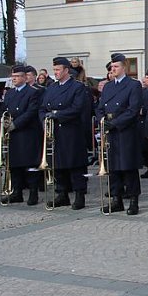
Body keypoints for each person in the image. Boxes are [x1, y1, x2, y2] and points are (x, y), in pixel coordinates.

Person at [39, 57, 92, 210]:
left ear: (66, 70)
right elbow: (42, 108)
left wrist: (56, 115)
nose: (55, 72)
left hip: (71, 131)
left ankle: (79, 194)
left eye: (58, 70)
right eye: (54, 70)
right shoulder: (51, 88)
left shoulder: (77, 87)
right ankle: (62, 194)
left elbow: (77, 108)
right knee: (58, 164)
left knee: (75, 165)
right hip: (55, 132)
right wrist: (44, 120)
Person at [96, 53, 143, 215]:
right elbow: (100, 107)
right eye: (111, 67)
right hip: (110, 132)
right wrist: (102, 120)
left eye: (116, 66)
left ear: (124, 67)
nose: (113, 69)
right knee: (112, 166)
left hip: (125, 131)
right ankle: (116, 199)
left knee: (128, 167)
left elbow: (133, 110)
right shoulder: (108, 86)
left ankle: (133, 200)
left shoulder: (133, 85)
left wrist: (115, 123)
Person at [0, 65, 42, 205]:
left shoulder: (32, 92)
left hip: (27, 132)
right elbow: (4, 109)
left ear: (24, 77)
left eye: (17, 76)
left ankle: (33, 193)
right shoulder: (10, 93)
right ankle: (16, 192)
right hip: (12, 135)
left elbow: (31, 111)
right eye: (12, 77)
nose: (14, 79)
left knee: (30, 165)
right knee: (14, 165)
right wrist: (4, 122)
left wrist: (16, 124)